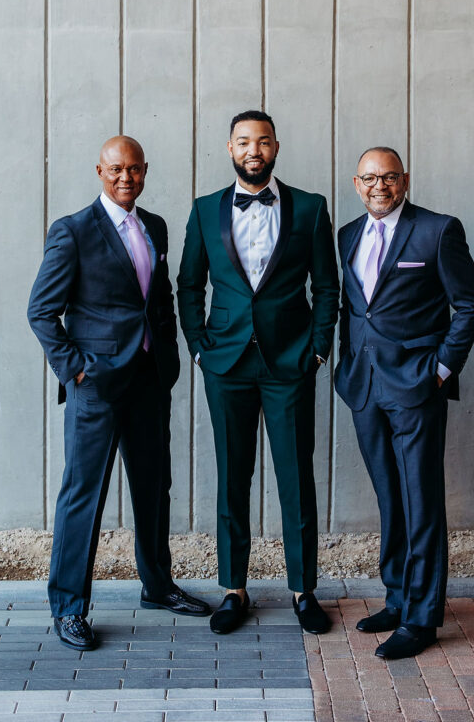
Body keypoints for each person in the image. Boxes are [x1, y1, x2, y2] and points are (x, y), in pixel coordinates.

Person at [27, 135, 209, 650]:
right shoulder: (73, 231)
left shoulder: (155, 226)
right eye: (115, 170)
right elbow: (41, 311)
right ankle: (68, 607)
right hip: (98, 387)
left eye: (133, 169)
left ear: (145, 171)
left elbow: (161, 296)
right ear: (100, 172)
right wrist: (77, 372)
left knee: (154, 489)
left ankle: (157, 585)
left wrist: (169, 358)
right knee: (83, 495)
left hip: (149, 382)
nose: (125, 177)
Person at [177, 111, 339, 636]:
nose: (254, 150)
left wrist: (317, 350)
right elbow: (188, 286)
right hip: (225, 363)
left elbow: (327, 287)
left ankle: (303, 590)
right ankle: (233, 588)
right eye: (244, 142)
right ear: (229, 148)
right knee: (232, 478)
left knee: (296, 478)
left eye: (263, 141)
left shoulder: (311, 209)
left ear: (276, 147)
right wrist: (200, 348)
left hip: (290, 362)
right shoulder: (204, 211)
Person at [335, 147, 474, 660]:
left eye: (391, 177)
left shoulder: (438, 230)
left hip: (417, 387)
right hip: (364, 387)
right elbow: (351, 308)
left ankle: (422, 617)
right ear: (357, 183)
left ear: (404, 180)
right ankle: (398, 597)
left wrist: (441, 370)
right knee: (390, 498)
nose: (381, 186)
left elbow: (470, 305)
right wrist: (344, 365)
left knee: (421, 500)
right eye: (371, 178)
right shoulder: (348, 235)